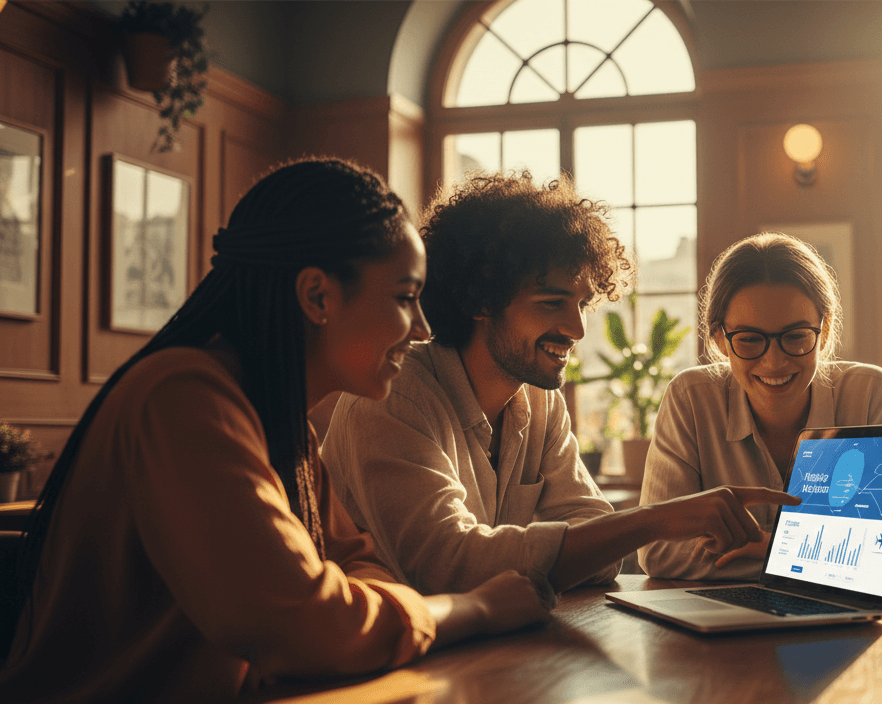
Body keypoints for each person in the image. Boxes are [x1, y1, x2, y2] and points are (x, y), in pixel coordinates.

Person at [0, 160, 551, 704]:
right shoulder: (182, 396)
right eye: (404, 297)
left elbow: (354, 568)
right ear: (317, 295)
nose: (420, 329)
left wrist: (370, 607)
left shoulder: (284, 429)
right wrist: (474, 609)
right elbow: (306, 622)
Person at [321, 173, 792, 601]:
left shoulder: (540, 401)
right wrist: (655, 519)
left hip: (486, 654)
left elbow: (601, 555)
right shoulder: (392, 396)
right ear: (480, 298)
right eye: (551, 303)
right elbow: (445, 567)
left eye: (584, 304)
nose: (577, 329)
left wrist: (541, 557)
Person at [639, 233, 882, 581]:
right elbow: (658, 551)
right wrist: (825, 558)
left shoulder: (871, 394)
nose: (774, 362)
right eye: (749, 340)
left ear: (824, 332)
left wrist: (772, 547)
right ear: (720, 339)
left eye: (795, 337)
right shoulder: (691, 398)